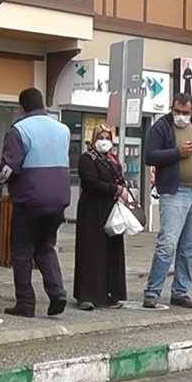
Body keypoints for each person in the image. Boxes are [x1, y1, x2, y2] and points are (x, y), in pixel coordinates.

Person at [0, 88, 71, 318]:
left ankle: (25, 303)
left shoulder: (19, 130)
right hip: (58, 200)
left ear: (22, 108)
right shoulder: (63, 130)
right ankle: (57, 293)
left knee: (21, 251)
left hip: (30, 200)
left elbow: (9, 167)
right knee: (45, 247)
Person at [143, 93, 192, 309]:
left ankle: (180, 291)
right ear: (172, 108)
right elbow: (150, 156)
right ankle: (152, 291)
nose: (180, 116)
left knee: (189, 246)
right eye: (177, 111)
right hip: (175, 191)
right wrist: (177, 153)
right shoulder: (162, 127)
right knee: (168, 243)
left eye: (185, 112)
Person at [73, 124, 128, 311]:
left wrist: (122, 190)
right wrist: (115, 189)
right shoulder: (87, 159)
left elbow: (119, 179)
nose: (104, 141)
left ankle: (109, 294)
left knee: (111, 252)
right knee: (91, 252)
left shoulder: (113, 160)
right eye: (100, 137)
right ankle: (86, 295)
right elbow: (91, 182)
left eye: (107, 138)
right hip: (92, 210)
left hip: (112, 211)